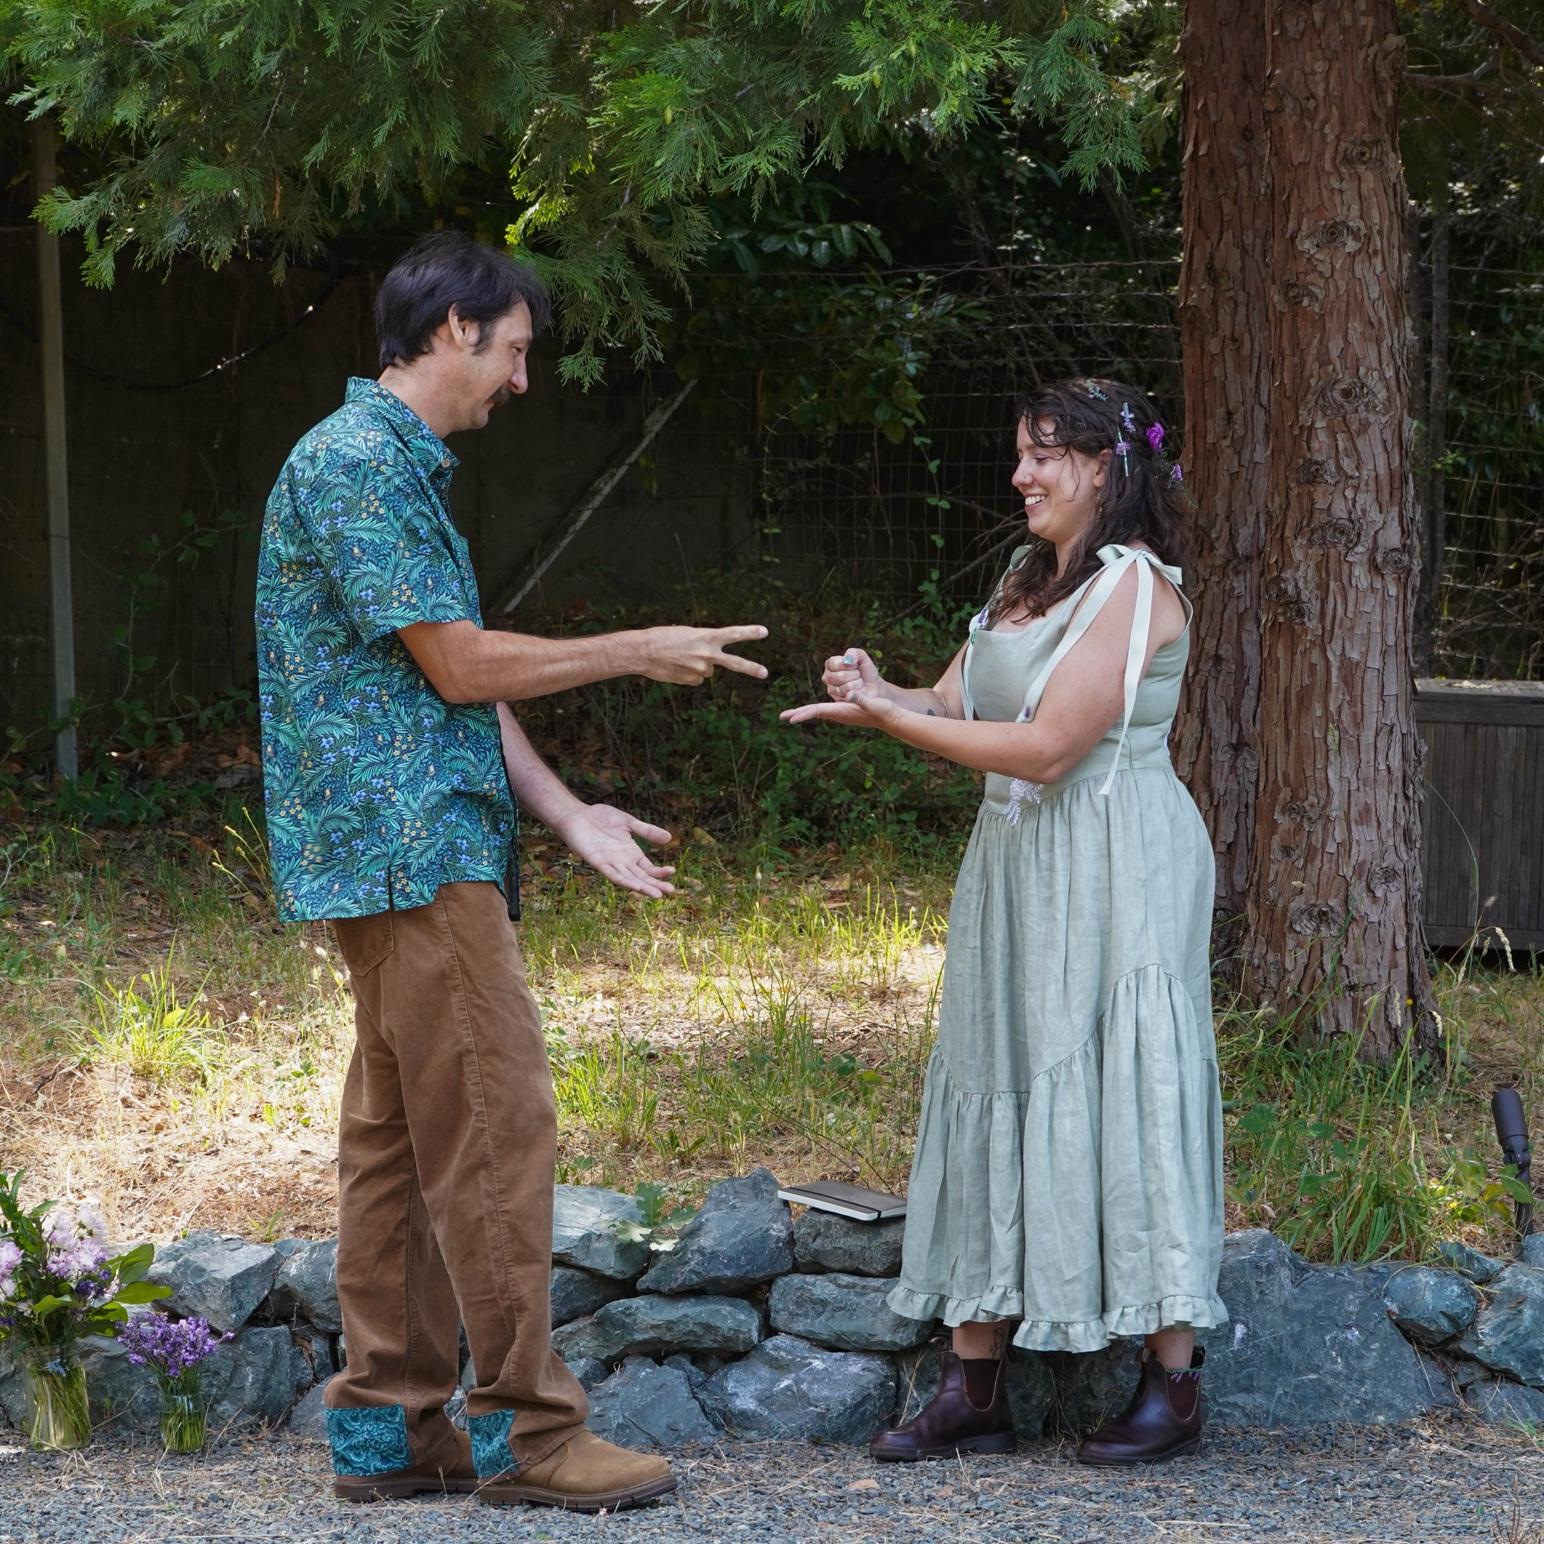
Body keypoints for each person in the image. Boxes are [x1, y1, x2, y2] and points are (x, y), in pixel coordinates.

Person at [255, 231, 768, 1512]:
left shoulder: (377, 462)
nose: (523, 380)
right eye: (517, 350)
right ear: (450, 331)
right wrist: (634, 645)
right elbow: (464, 666)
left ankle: (387, 1428)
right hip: (412, 854)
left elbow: (442, 683)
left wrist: (564, 808)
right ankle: (531, 1432)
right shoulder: (360, 464)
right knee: (493, 1127)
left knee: (396, 1143)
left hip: (402, 852)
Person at [782, 379, 1226, 1465]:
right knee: (995, 1063)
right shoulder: (1025, 580)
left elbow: (1046, 747)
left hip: (1114, 855)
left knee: (1123, 1078)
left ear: (1101, 469)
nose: (1020, 474)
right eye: (1019, 453)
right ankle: (973, 1378)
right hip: (1019, 861)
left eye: (1042, 455)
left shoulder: (1132, 587)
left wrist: (896, 720)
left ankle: (1169, 1381)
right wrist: (879, 690)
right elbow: (957, 706)